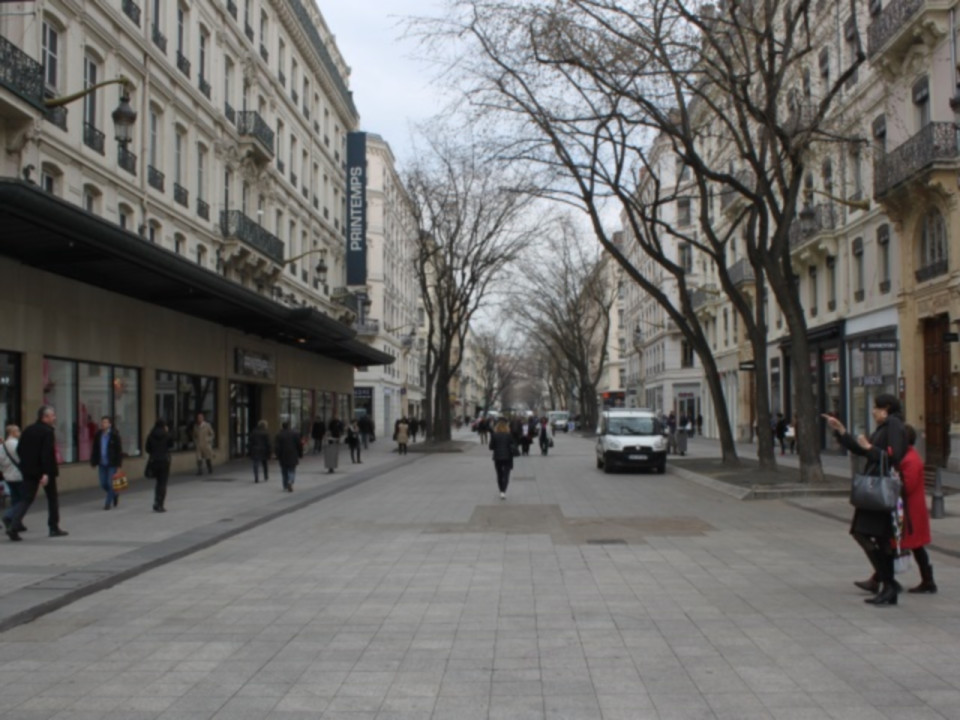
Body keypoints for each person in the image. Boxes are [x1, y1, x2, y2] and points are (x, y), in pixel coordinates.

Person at [825, 393, 907, 606]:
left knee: (864, 533)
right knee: (878, 539)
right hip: (874, 490)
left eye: (876, 408)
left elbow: (894, 456)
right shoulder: (885, 426)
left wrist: (871, 448)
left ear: (886, 408)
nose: (873, 411)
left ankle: (888, 584)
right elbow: (862, 450)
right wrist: (841, 431)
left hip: (880, 491)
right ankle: (888, 586)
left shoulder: (894, 426)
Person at [883, 424, 936, 594]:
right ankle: (927, 580)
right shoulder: (904, 456)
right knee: (908, 545)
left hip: (910, 511)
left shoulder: (910, 459)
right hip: (906, 510)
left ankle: (881, 579)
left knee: (910, 545)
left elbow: (908, 486)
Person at [4, 406, 67, 540]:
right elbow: (46, 454)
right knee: (52, 498)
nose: (54, 418)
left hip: (28, 470)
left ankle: (13, 525)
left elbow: (20, 449)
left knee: (26, 499)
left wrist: (26, 465)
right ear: (45, 417)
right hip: (45, 471)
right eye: (52, 416)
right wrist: (45, 473)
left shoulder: (28, 430)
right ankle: (53, 527)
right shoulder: (48, 432)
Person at [90, 416, 123, 510]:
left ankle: (107, 503)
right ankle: (115, 494)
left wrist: (119, 465)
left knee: (110, 483)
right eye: (102, 422)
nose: (103, 424)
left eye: (105, 422)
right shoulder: (98, 435)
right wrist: (93, 461)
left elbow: (118, 451)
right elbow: (95, 449)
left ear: (110, 424)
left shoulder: (114, 435)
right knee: (103, 483)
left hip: (111, 463)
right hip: (102, 463)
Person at [0, 424, 25, 533]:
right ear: (12, 433)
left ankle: (16, 522)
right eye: (17, 431)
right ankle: (10, 515)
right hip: (18, 475)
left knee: (15, 498)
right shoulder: (16, 444)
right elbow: (23, 458)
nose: (19, 433)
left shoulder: (2, 446)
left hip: (7, 476)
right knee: (24, 499)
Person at [145, 420, 172, 512]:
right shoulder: (167, 435)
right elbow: (171, 445)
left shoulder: (151, 435)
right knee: (162, 483)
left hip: (154, 461)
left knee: (158, 483)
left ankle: (156, 501)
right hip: (164, 461)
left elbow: (147, 449)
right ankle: (160, 503)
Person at [489, 418, 517, 500]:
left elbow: (491, 447)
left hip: (497, 457)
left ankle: (501, 490)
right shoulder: (509, 435)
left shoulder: (494, 435)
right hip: (507, 457)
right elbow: (513, 445)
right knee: (506, 474)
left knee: (499, 474)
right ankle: (504, 491)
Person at [275, 422, 302, 492]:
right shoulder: (295, 434)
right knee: (291, 469)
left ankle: (285, 485)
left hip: (283, 455)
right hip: (292, 454)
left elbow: (277, 447)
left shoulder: (279, 435)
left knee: (284, 471)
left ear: (282, 426)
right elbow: (299, 445)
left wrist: (277, 455)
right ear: (289, 426)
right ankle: (290, 481)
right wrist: (300, 454)